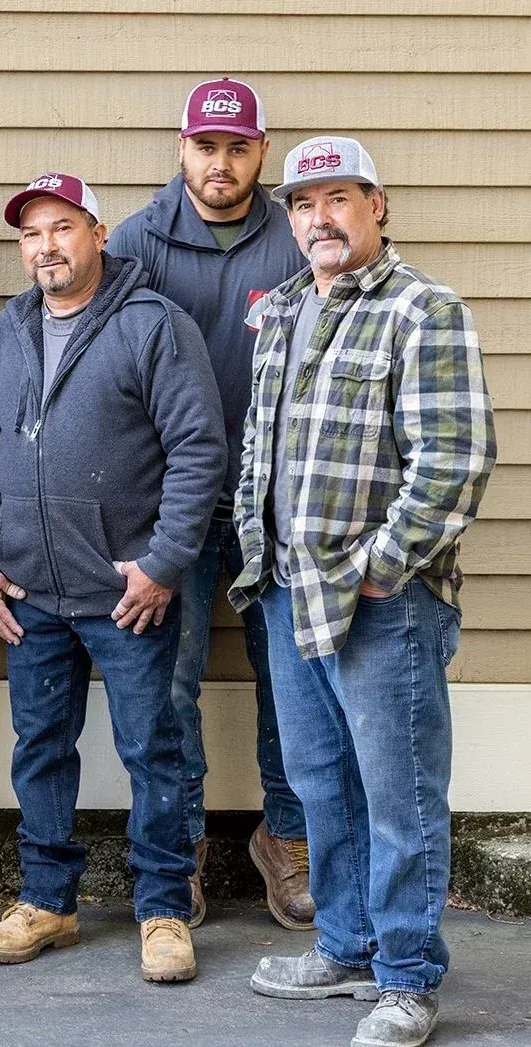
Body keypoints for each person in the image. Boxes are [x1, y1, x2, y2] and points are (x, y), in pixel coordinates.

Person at [233, 137, 496, 1047]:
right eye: (304, 203)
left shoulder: (425, 310)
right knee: (320, 787)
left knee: (400, 795)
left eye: (338, 198)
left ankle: (409, 976)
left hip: (384, 605)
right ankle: (344, 947)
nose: (319, 218)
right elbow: (256, 454)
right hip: (287, 594)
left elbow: (455, 463)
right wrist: (252, 551)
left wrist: (383, 567)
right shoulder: (283, 312)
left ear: (376, 205)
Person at [0, 172, 226, 982]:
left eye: (63, 227)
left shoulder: (153, 326)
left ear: (98, 234)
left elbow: (198, 451)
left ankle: (165, 908)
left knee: (154, 749)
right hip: (29, 594)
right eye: (32, 233)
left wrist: (165, 562)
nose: (47, 246)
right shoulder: (2, 338)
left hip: (127, 593)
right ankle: (48, 900)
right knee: (40, 748)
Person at [108, 77, 311, 929]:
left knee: (294, 682)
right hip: (173, 507)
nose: (221, 163)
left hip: (279, 501)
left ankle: (289, 836)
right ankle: (178, 846)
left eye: (238, 146)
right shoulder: (135, 239)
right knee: (170, 686)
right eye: (205, 146)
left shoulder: (297, 234)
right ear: (180, 147)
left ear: (261, 150)